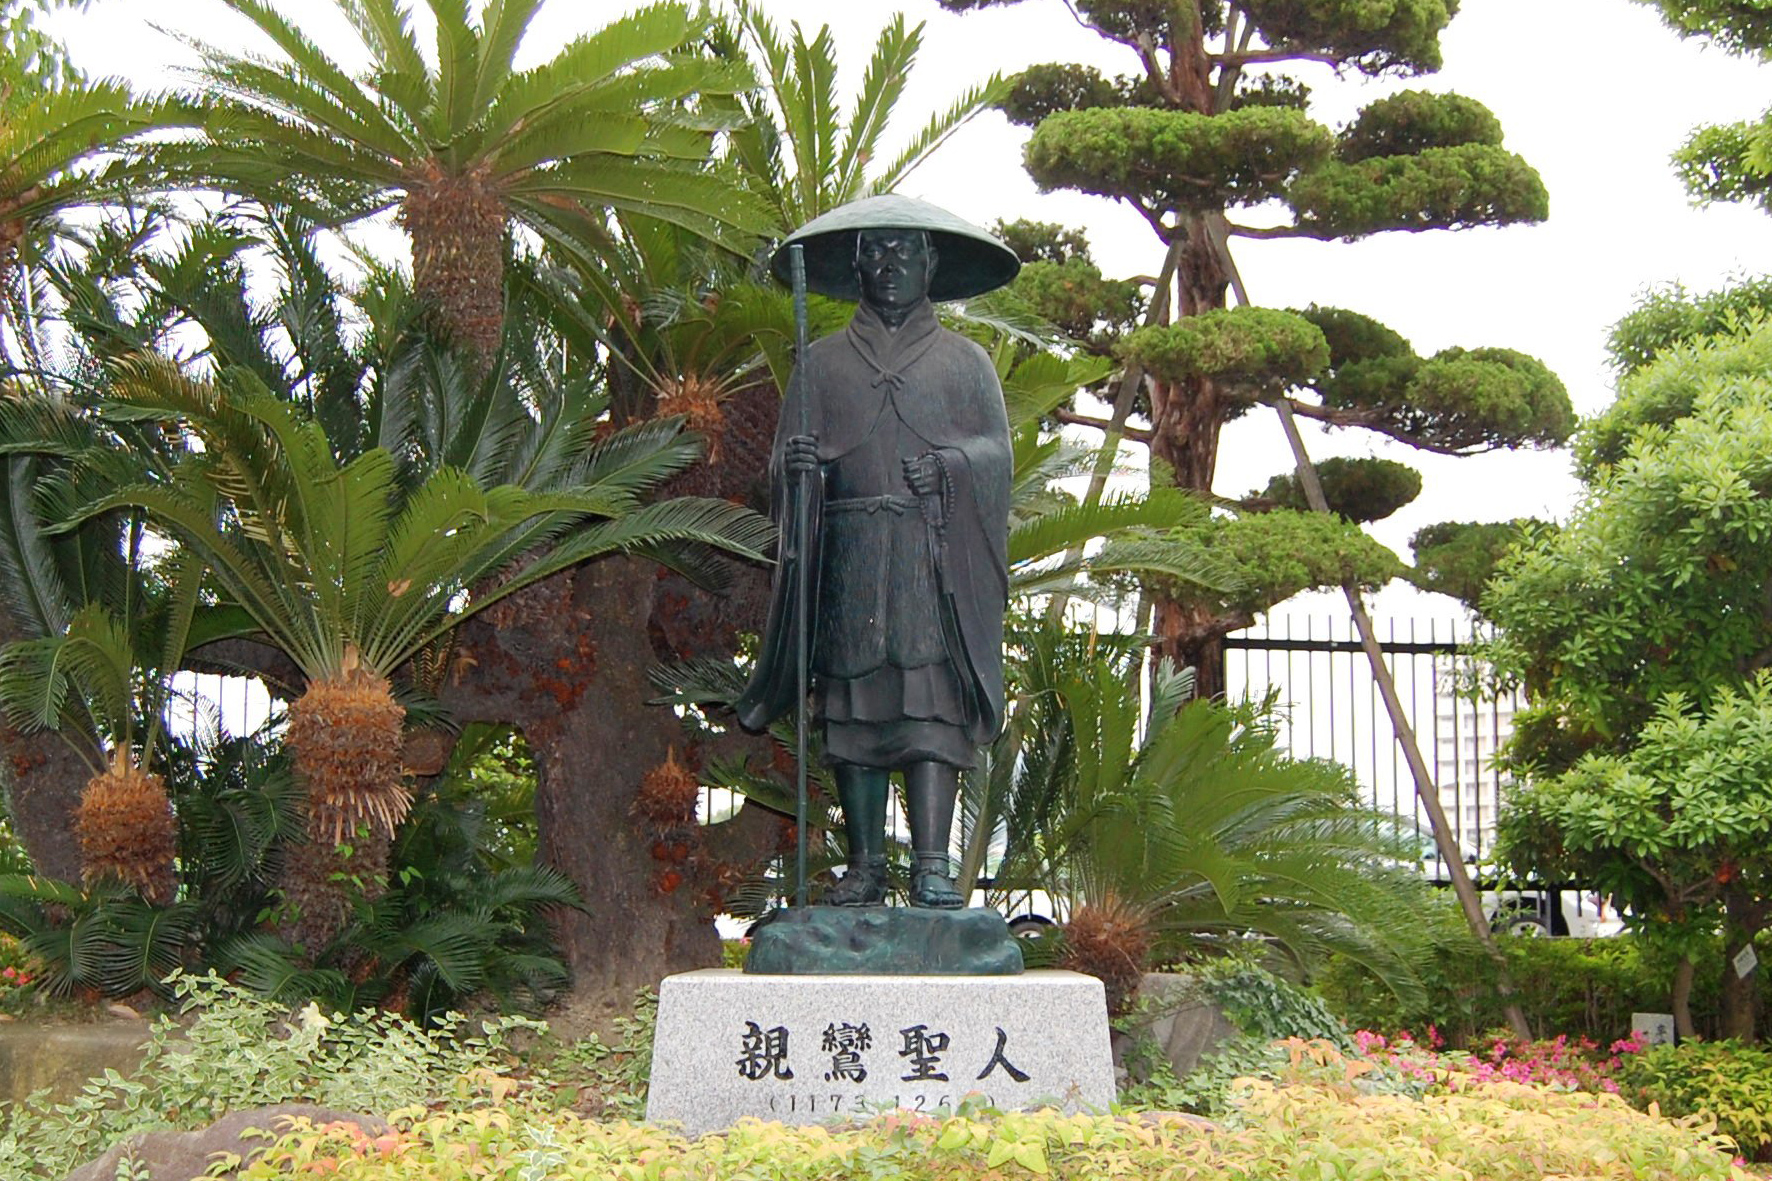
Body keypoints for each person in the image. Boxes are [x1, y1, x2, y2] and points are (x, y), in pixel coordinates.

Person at [736, 195, 1019, 909]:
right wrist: (798, 470)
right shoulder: (821, 364)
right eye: (877, 252)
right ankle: (864, 864)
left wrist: (953, 465)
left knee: (930, 709)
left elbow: (997, 456)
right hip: (852, 555)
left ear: (931, 264)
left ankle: (930, 861)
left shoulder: (966, 362)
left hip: (929, 558)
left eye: (906, 252)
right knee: (853, 716)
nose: (891, 265)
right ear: (855, 264)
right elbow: (780, 471)